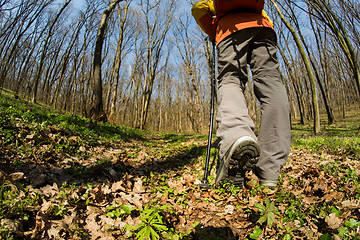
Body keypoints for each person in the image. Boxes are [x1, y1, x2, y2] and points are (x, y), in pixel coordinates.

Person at [192, 0, 291, 188]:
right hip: (264, 29)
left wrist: (213, 32)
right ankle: (270, 170)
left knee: (231, 79)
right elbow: (265, 17)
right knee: (272, 84)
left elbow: (198, 9)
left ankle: (236, 136)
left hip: (229, 31)